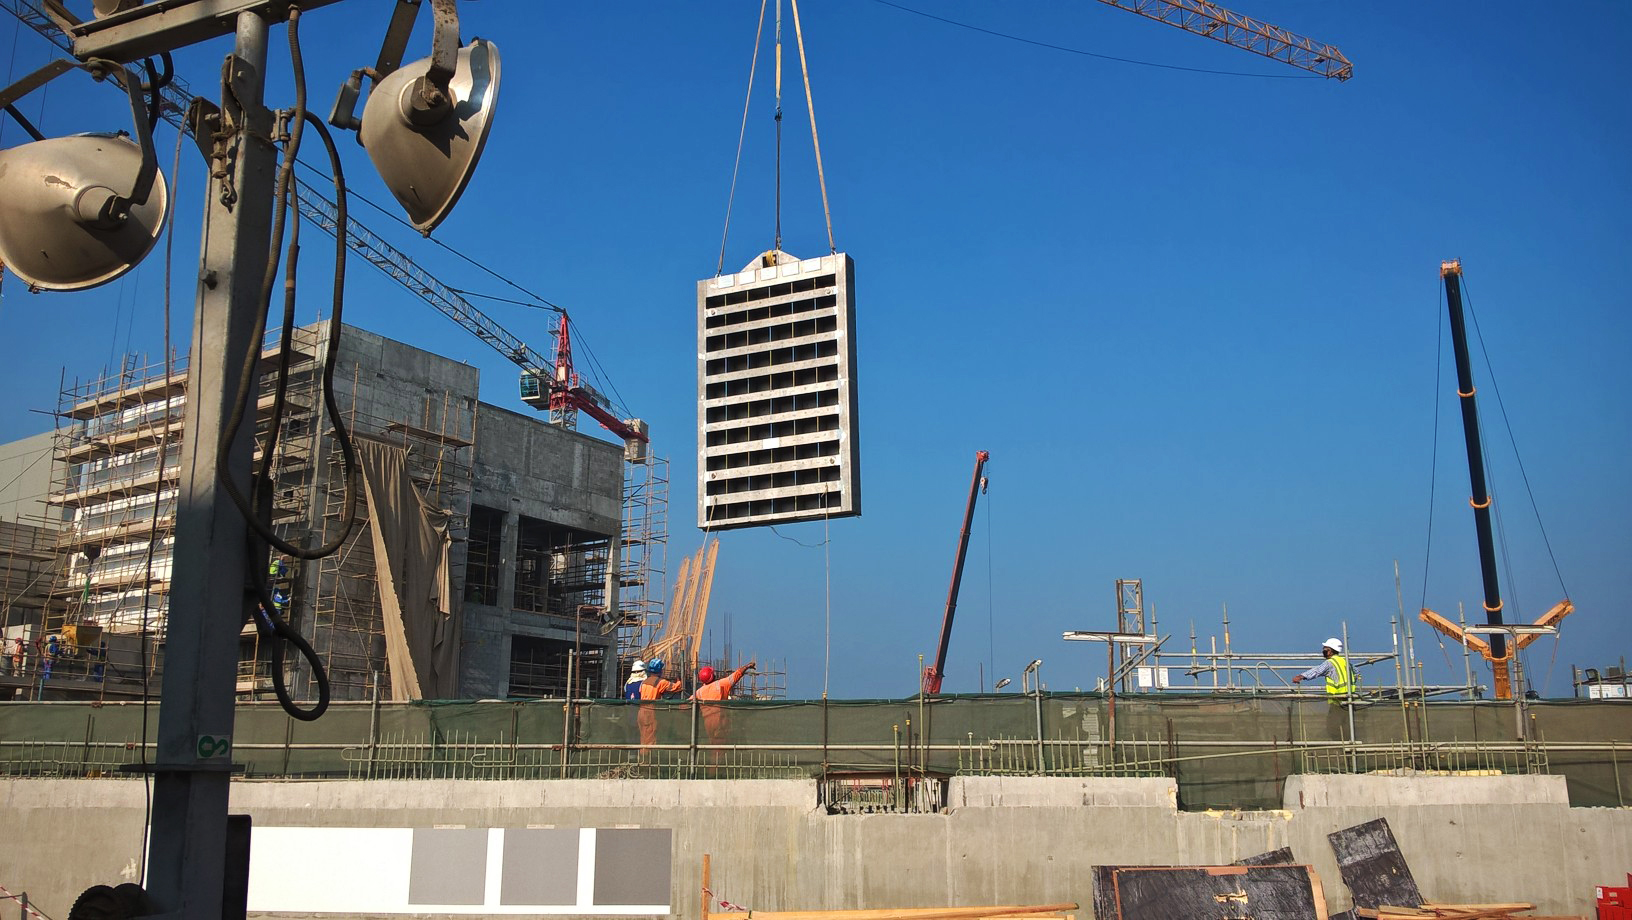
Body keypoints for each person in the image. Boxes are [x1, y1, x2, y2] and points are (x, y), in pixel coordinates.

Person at [1292, 637, 1354, 738]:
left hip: (1338, 700)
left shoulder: (1330, 663)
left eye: (1325, 649)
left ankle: (1342, 746)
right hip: (1350, 698)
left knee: (1333, 728)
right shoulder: (1345, 662)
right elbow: (1356, 673)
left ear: (1330, 651)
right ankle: (1347, 745)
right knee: (1347, 725)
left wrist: (1301, 676)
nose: (1323, 651)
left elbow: (1317, 670)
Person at [692, 660, 756, 755]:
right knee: (720, 750)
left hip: (708, 723)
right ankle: (717, 767)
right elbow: (736, 675)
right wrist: (747, 666)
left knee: (714, 747)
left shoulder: (699, 692)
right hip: (720, 721)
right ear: (712, 676)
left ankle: (714, 765)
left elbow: (684, 705)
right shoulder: (721, 684)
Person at [636, 657, 684, 754]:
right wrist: (679, 680)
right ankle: (648, 762)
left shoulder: (644, 682)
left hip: (641, 711)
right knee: (650, 738)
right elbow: (676, 687)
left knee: (643, 737)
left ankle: (642, 759)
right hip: (650, 712)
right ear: (659, 670)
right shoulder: (660, 682)